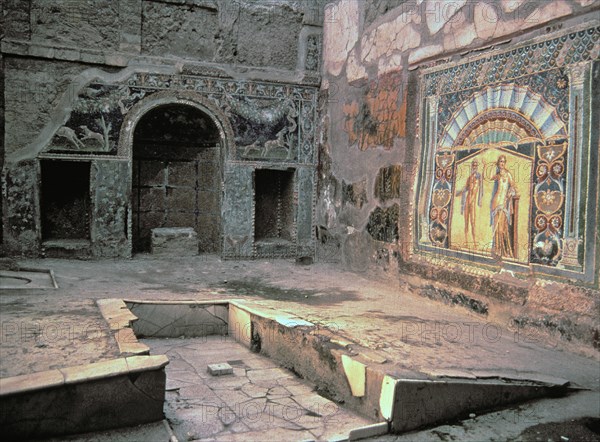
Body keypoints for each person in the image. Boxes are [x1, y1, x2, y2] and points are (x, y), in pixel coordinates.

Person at [490, 154, 518, 259]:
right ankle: (497, 250)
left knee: (502, 227)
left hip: (503, 202)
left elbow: (514, 186)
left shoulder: (508, 174)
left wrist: (510, 193)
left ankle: (503, 250)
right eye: (500, 162)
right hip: (496, 202)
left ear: (505, 163)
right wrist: (492, 165)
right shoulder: (497, 175)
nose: (502, 163)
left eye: (503, 162)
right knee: (496, 227)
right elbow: (489, 177)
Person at [455, 160, 483, 246]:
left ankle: (475, 242)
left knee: (473, 222)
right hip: (467, 201)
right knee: (466, 222)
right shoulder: (469, 178)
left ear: (477, 167)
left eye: (475, 165)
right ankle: (466, 242)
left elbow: (480, 187)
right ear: (472, 167)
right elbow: (466, 188)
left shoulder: (478, 177)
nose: (474, 167)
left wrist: (485, 167)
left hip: (473, 202)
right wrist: (457, 193)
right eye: (473, 166)